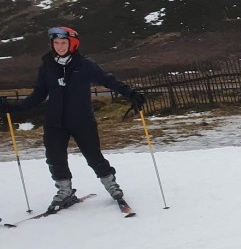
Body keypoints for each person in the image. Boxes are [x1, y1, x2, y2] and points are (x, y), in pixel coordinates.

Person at [0, 27, 145, 212]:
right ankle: (64, 192)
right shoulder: (47, 67)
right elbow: (38, 95)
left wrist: (131, 93)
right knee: (54, 159)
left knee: (94, 157)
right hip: (54, 123)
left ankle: (112, 187)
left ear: (72, 44)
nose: (59, 46)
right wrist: (14, 107)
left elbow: (109, 81)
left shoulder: (85, 65)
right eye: (56, 43)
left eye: (63, 43)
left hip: (82, 120)